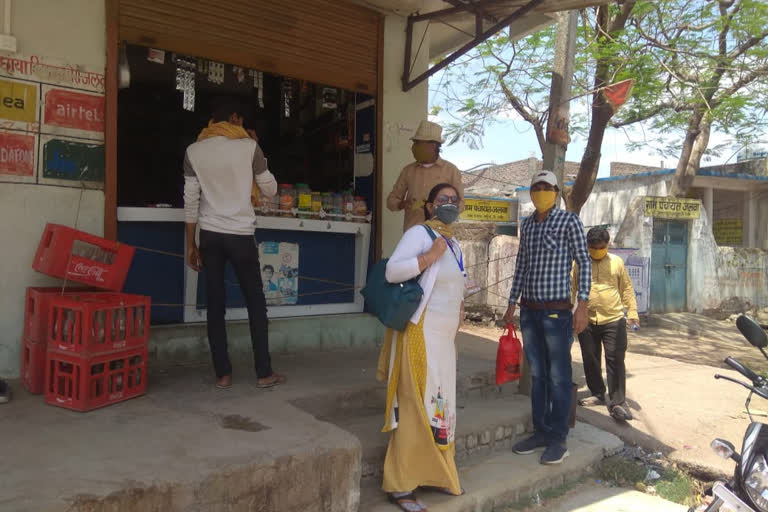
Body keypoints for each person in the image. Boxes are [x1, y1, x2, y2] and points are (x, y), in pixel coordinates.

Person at [184, 97, 286, 390]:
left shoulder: (194, 150)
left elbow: (190, 202)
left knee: (215, 304)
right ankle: (264, 372)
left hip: (211, 236)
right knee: (255, 302)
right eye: (242, 121)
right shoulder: (249, 146)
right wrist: (258, 150)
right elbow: (270, 189)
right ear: (234, 118)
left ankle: (223, 374)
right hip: (241, 236)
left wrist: (191, 244)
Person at [377, 183, 466, 510]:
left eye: (454, 200)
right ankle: (401, 484)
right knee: (415, 406)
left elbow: (454, 285)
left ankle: (436, 474)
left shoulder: (455, 243)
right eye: (442, 199)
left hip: (444, 340)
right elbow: (392, 271)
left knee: (439, 406)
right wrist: (429, 257)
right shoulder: (420, 234)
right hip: (420, 333)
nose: (449, 204)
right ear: (429, 206)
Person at [503, 170, 591, 465]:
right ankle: (540, 432)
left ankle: (558, 439)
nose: (540, 192)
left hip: (557, 313)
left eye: (546, 187)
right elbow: (522, 265)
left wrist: (583, 304)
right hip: (529, 311)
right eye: (536, 187)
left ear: (556, 192)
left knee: (559, 377)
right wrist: (511, 304)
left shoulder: (569, 221)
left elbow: (584, 260)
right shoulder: (527, 225)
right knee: (538, 376)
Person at [571, 226, 639, 422]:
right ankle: (598, 393)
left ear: (607, 245)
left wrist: (632, 312)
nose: (597, 251)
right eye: (593, 247)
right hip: (587, 319)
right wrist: (567, 313)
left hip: (613, 319)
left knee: (615, 359)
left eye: (601, 247)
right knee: (590, 358)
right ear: (588, 246)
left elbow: (626, 289)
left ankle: (617, 400)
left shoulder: (616, 263)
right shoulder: (579, 263)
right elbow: (571, 287)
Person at [386, 120, 465, 232]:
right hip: (412, 232)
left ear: (433, 145)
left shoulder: (451, 170)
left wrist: (442, 209)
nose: (414, 147)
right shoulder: (408, 171)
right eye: (415, 143)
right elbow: (390, 201)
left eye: (418, 143)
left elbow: (461, 204)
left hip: (440, 234)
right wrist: (401, 204)